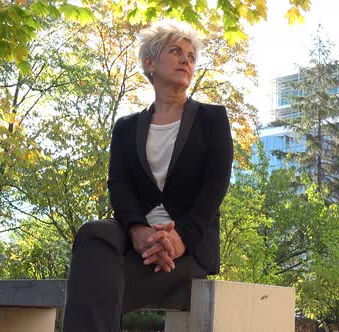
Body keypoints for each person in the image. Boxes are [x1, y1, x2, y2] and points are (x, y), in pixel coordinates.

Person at [63, 20, 233, 332]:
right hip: (134, 237)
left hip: (186, 245)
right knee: (94, 233)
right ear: (150, 63)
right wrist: (138, 230)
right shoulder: (127, 127)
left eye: (192, 56)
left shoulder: (212, 119)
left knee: (96, 284)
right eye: (176, 51)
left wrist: (180, 239)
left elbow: (215, 184)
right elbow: (119, 184)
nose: (186, 59)